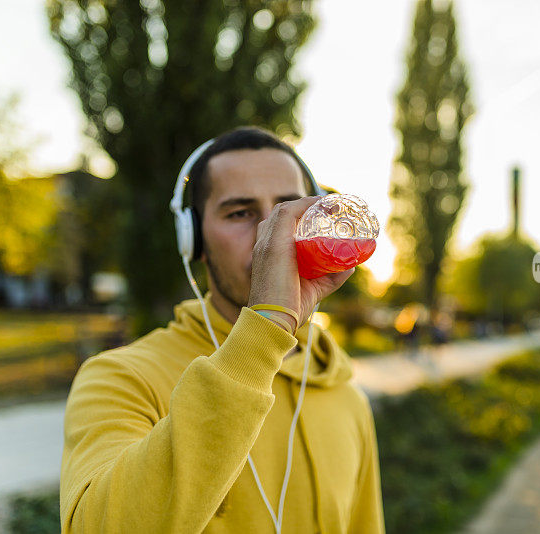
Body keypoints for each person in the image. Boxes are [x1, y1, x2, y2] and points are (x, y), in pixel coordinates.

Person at [59, 126, 385, 533]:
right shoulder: (120, 378)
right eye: (240, 213)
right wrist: (266, 329)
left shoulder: (346, 396)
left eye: (289, 209)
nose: (271, 234)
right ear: (193, 240)